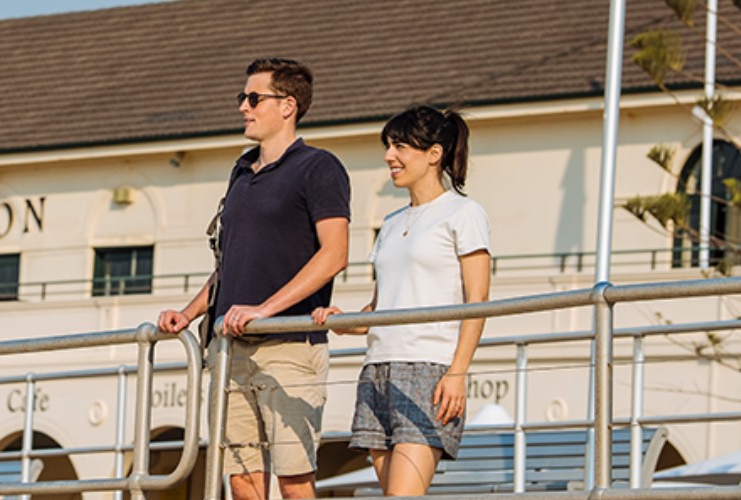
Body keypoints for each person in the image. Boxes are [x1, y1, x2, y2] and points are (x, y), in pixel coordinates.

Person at [157, 58, 350, 500]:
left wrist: (265, 310)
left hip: (287, 346)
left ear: (288, 105)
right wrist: (188, 314)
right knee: (241, 480)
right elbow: (232, 263)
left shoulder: (319, 168)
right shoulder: (242, 171)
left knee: (294, 481)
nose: (243, 106)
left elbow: (335, 254)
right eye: (242, 97)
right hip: (230, 349)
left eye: (253, 98)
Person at [311, 105, 491, 496]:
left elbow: (478, 301)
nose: (389, 156)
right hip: (376, 369)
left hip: (429, 369)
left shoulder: (464, 213)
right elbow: (380, 309)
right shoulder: (390, 223)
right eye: (388, 146)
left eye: (400, 146)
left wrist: (458, 372)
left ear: (434, 154)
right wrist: (340, 320)